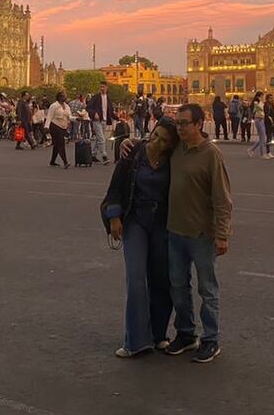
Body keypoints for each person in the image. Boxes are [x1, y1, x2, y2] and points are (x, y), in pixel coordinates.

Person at [159, 104, 233, 363]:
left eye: (184, 123)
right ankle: (186, 333)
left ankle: (211, 338)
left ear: (199, 124)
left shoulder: (211, 154)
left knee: (207, 289)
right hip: (175, 230)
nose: (179, 128)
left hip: (202, 234)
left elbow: (222, 198)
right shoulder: (176, 149)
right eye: (177, 124)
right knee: (178, 286)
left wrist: (222, 234)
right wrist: (128, 144)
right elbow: (152, 145)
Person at [102, 118, 180, 358]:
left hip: (162, 224)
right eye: (155, 135)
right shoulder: (133, 152)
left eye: (163, 140)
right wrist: (114, 217)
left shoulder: (175, 160)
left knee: (161, 279)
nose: (156, 142)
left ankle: (158, 335)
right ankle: (135, 340)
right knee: (136, 279)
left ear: (170, 145)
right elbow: (115, 187)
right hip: (135, 220)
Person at [87, 81, 118, 164]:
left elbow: (110, 111)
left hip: (104, 121)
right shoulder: (96, 97)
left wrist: (118, 118)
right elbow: (88, 107)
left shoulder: (108, 98)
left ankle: (93, 154)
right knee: (101, 138)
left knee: (98, 138)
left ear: (107, 88)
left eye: (103, 87)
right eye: (101, 87)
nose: (102, 88)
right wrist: (94, 114)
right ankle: (104, 156)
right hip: (97, 121)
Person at [43, 91, 72, 169]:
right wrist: (46, 127)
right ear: (59, 97)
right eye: (64, 96)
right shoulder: (54, 106)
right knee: (60, 143)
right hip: (55, 125)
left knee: (56, 145)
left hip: (63, 127)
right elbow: (49, 116)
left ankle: (52, 161)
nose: (65, 97)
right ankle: (65, 161)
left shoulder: (67, 106)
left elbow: (70, 117)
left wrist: (79, 118)